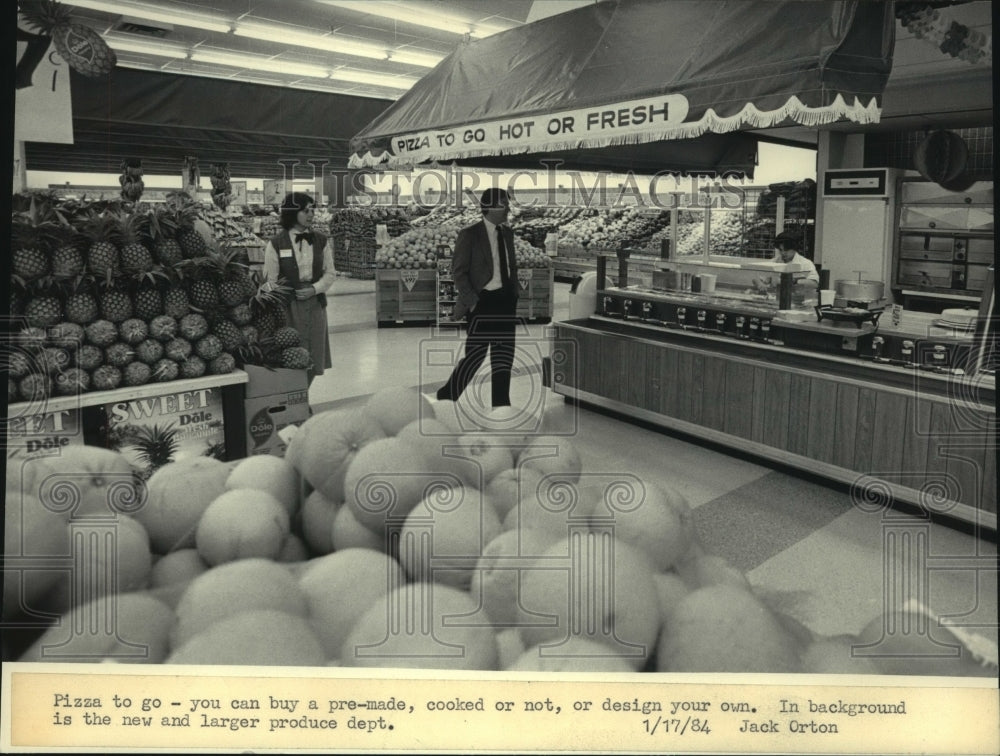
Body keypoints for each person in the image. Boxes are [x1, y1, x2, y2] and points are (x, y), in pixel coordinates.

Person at [436, 188, 520, 407]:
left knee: (504, 358)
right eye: (503, 204)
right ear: (489, 207)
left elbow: (511, 266)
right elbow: (459, 272)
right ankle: (447, 394)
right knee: (475, 356)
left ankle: (501, 406)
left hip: (505, 302)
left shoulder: (508, 233)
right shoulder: (470, 234)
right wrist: (472, 301)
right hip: (483, 302)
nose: (508, 209)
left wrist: (514, 292)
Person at [262, 192, 335, 384]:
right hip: (288, 307)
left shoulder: (321, 240)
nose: (311, 215)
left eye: (312, 210)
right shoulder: (276, 243)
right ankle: (296, 396)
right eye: (305, 211)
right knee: (292, 352)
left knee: (314, 352)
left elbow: (330, 273)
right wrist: (276, 297)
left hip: (315, 304)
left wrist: (315, 289)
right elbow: (270, 280)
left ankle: (303, 395)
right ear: (292, 212)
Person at [751, 231, 819, 298]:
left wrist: (792, 281)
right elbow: (755, 277)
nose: (783, 253)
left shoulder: (806, 263)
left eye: (786, 250)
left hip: (800, 300)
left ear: (794, 248)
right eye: (780, 250)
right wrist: (760, 284)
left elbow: (814, 284)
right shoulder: (774, 262)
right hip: (777, 299)